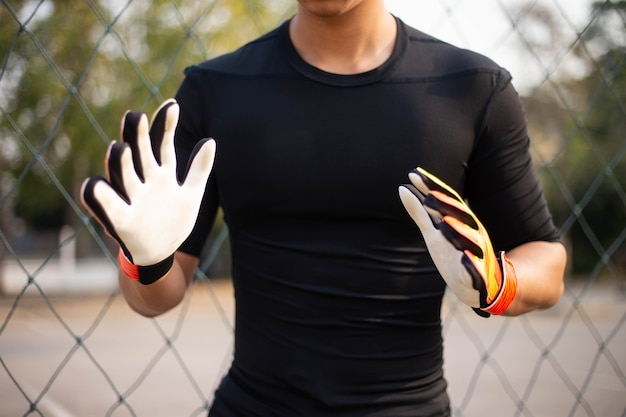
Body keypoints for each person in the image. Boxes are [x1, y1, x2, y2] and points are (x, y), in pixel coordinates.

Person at [81, 1, 567, 416]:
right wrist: (144, 259)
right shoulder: (215, 91)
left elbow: (547, 260)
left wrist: (502, 282)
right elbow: (156, 295)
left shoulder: (473, 88)